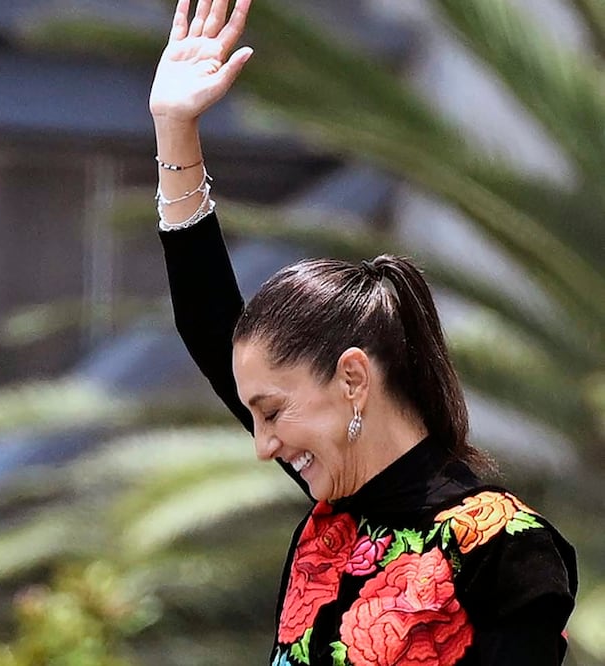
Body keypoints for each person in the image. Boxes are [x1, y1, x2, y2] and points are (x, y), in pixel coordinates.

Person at [149, 1, 578, 664]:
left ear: (352, 378)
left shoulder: (506, 547)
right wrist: (175, 129)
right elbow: (208, 325)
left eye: (271, 412)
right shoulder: (338, 514)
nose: (262, 446)